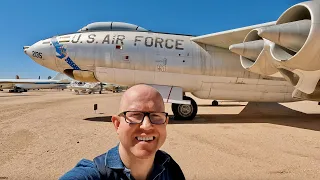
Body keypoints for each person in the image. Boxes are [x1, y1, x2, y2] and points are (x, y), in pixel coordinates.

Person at [59, 84, 185, 180]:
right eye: (135, 115)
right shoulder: (93, 174)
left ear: (165, 123)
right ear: (117, 124)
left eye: (156, 116)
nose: (146, 126)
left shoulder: (170, 168)